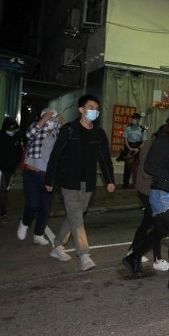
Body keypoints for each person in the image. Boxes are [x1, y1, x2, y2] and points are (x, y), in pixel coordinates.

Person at [123, 106, 169, 292]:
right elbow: (149, 166)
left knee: (159, 232)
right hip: (161, 194)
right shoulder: (162, 142)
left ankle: (133, 256)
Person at [45, 94, 116, 271]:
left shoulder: (99, 133)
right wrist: (49, 179)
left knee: (74, 215)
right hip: (69, 180)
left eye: (96, 109)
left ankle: (57, 245)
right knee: (77, 217)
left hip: (88, 182)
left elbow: (104, 159)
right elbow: (56, 155)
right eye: (91, 107)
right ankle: (84, 254)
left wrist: (109, 180)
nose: (94, 111)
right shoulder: (69, 129)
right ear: (81, 110)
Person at [126, 125, 169, 276]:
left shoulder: (161, 146)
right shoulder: (149, 147)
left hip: (154, 191)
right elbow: (147, 172)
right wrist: (167, 175)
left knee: (148, 222)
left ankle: (133, 250)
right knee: (158, 224)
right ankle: (157, 260)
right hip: (147, 191)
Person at [17, 108, 64, 246]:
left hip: (48, 176)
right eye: (49, 118)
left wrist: (62, 124)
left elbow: (66, 142)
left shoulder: (56, 133)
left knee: (45, 207)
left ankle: (39, 234)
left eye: (53, 118)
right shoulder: (37, 129)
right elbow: (28, 134)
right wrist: (43, 119)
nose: (51, 121)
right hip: (32, 174)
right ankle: (25, 223)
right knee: (32, 203)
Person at [0, 117, 23, 217]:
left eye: (14, 129)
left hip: (12, 167)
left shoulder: (17, 136)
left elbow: (20, 151)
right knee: (1, 187)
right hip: (0, 166)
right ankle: (2, 209)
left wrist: (16, 163)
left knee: (6, 188)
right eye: (10, 129)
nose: (12, 131)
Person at [122, 112, 147, 189]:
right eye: (134, 119)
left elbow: (144, 141)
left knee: (137, 167)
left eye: (137, 119)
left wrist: (138, 149)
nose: (136, 121)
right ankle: (125, 184)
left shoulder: (142, 129)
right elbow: (125, 139)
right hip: (129, 147)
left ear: (139, 120)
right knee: (127, 167)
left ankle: (135, 184)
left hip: (138, 147)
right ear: (132, 119)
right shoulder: (128, 128)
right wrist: (129, 148)